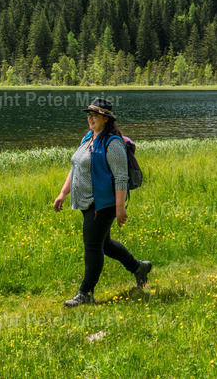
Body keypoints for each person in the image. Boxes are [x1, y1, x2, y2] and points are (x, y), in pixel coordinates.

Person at [53, 97, 151, 307]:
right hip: (86, 202)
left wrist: (120, 208)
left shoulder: (112, 143)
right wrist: (63, 193)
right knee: (104, 245)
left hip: (102, 204)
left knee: (92, 246)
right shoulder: (88, 137)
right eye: (89, 115)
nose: (90, 119)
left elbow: (121, 177)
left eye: (95, 116)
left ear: (106, 119)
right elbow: (76, 167)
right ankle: (139, 267)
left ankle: (86, 293)